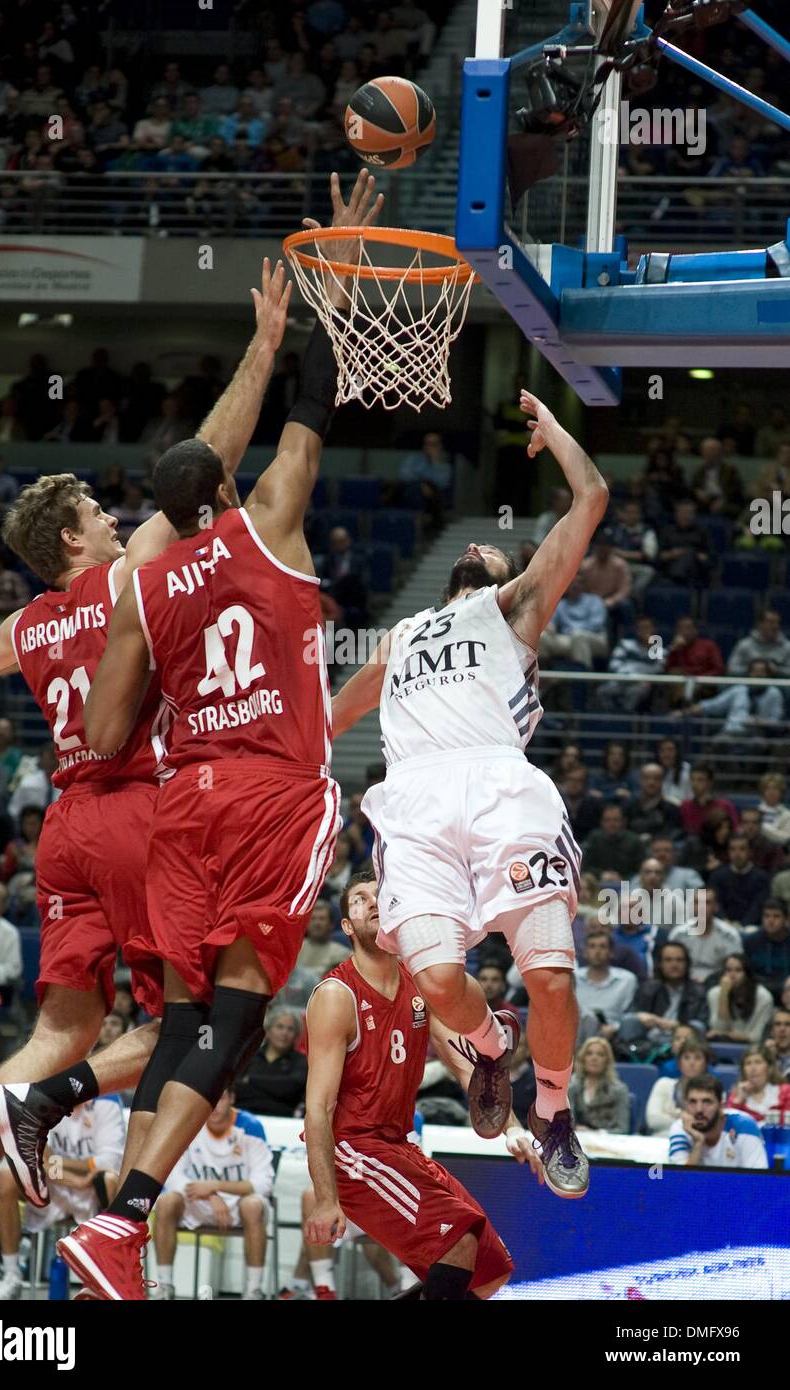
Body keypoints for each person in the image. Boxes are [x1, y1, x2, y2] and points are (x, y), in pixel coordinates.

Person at [0, 258, 291, 1298]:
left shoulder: (33, 620)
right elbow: (202, 461)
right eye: (94, 505)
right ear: (80, 538)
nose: (113, 511)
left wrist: (24, 629)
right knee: (188, 1021)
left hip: (62, 826)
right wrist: (263, 348)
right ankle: (103, 1197)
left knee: (56, 1027)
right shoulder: (129, 572)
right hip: (137, 810)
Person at [52, 174, 383, 1301]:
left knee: (190, 1018)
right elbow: (315, 402)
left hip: (179, 803)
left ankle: (116, 1225)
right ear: (225, 488)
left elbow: (100, 732)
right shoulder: (270, 522)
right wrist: (331, 261)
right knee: (240, 1022)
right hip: (272, 793)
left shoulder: (140, 587)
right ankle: (128, 1212)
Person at [331, 389, 611, 1199]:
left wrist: (558, 435)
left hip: (501, 789)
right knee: (440, 983)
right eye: (480, 543)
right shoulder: (401, 635)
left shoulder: (513, 603)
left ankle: (554, 1109)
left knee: (552, 977)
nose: (484, 543)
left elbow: (591, 498)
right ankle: (492, 1048)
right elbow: (325, 720)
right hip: (412, 804)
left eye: (498, 545)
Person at [303, 873, 532, 1299]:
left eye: (380, 896)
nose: (373, 902)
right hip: (354, 1148)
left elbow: (466, 1065)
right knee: (457, 1243)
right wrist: (324, 1198)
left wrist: (513, 1128)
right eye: (360, 899)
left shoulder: (419, 981)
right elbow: (317, 1109)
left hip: (400, 1145)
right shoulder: (337, 995)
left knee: (489, 1274)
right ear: (348, 927)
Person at [0, 1087, 126, 1300]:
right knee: (7, 1177)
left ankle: (113, 1279)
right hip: (57, 1185)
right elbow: (42, 1160)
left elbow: (108, 1162)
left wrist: (66, 1166)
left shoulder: (107, 1101)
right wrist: (77, 1177)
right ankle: (11, 1275)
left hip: (93, 1189)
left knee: (111, 1181)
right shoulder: (46, 1098)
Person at [153, 1088, 274, 1301]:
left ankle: (254, 1290)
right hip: (198, 1200)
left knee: (254, 1204)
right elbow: (172, 1176)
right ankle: (164, 1286)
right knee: (165, 1202)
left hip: (238, 1204)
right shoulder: (189, 1122)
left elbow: (263, 1183)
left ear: (232, 1099)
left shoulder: (250, 1127)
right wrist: (211, 1195)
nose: (215, 1106)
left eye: (221, 1098)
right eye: (210, 1099)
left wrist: (216, 1186)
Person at [619, 941, 708, 1052]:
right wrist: (644, 1016)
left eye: (679, 960)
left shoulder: (698, 991)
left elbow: (702, 1024)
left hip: (683, 1042)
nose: (674, 964)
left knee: (697, 1026)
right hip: (647, 1041)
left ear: (687, 964)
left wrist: (677, 1026)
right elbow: (629, 1013)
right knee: (629, 1020)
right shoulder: (647, 988)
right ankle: (633, 1062)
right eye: (668, 960)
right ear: (660, 964)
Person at [668, 1075, 768, 1168]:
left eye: (707, 1102)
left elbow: (758, 1181)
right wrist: (698, 1142)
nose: (699, 1109)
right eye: (693, 1102)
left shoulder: (744, 1126)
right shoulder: (681, 1128)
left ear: (721, 1105)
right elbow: (680, 1181)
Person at [234, 1007, 308, 1118]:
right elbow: (236, 1088)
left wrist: (251, 1080)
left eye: (290, 1029)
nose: (284, 1033)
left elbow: (292, 1087)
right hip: (243, 1117)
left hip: (283, 1121)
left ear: (296, 1035)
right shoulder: (249, 1056)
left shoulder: (301, 1061)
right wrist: (276, 1090)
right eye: (280, 1026)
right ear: (268, 1030)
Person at [573, 929, 638, 1042]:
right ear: (585, 952)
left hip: (614, 1038)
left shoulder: (627, 980)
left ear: (611, 952)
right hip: (576, 1036)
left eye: (603, 947)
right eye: (592, 946)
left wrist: (616, 1028)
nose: (597, 951)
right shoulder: (573, 978)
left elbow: (632, 1014)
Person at [668, 887, 741, 984]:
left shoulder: (729, 935)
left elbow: (736, 969)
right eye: (698, 902)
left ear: (716, 907)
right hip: (683, 984)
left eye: (707, 903)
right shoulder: (679, 935)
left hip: (719, 985)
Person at [646, 1038, 712, 1135]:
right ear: (679, 1063)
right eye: (686, 1058)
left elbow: (710, 1125)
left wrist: (674, 1115)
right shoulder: (663, 1084)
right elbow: (653, 1120)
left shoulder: (713, 1091)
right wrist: (688, 1120)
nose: (691, 1063)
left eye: (697, 1058)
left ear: (706, 1064)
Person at [568, 1037, 630, 1133]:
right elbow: (567, 1124)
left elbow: (623, 1128)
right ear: (583, 1059)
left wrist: (596, 1133)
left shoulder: (619, 1090)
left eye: (600, 1054)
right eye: (589, 1053)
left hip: (608, 1142)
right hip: (579, 1140)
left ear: (607, 1061)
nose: (594, 1058)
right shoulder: (572, 1087)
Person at [707, 956, 775, 1044]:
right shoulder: (714, 993)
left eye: (738, 970)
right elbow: (718, 1028)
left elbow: (759, 1036)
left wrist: (728, 1034)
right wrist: (724, 995)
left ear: (747, 974)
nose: (732, 975)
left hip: (754, 1046)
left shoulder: (764, 997)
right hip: (723, 1043)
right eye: (728, 970)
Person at [709, 835, 771, 927]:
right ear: (728, 852)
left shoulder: (761, 877)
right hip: (722, 925)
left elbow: (758, 906)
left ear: (750, 852)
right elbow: (715, 903)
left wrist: (742, 924)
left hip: (752, 926)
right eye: (732, 849)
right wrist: (725, 921)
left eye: (742, 849)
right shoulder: (718, 876)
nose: (737, 854)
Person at [726, 1046, 790, 1125]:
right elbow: (728, 1127)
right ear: (743, 1069)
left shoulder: (785, 1092)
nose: (753, 1068)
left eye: (758, 1062)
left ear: (769, 1067)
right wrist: (738, 1101)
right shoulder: (736, 1096)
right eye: (748, 1063)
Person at [581, 803, 645, 879]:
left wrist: (623, 878)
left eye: (616, 820)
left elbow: (640, 869)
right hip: (598, 882)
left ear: (624, 822)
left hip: (627, 883)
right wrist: (602, 874)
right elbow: (586, 867)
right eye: (607, 820)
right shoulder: (594, 838)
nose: (611, 824)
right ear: (602, 822)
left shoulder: (634, 841)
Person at [744, 899, 790, 1001]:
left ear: (787, 920)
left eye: (776, 916)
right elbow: (748, 973)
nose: (770, 921)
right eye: (767, 916)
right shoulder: (751, 941)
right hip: (760, 990)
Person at [680, 764, 738, 836]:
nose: (694, 784)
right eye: (692, 779)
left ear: (710, 782)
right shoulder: (685, 806)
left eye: (700, 780)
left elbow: (734, 830)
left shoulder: (724, 805)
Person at [296, 899, 350, 979]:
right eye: (313, 919)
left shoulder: (343, 954)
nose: (317, 923)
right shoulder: (294, 950)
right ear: (306, 924)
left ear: (331, 925)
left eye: (322, 919)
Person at [758, 771, 790, 846]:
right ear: (762, 791)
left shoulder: (787, 815)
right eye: (767, 788)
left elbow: (786, 838)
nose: (771, 792)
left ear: (782, 792)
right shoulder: (754, 812)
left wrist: (761, 828)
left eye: (775, 788)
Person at [763, 1008, 790, 1078]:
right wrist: (768, 1058)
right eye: (778, 1024)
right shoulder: (761, 1058)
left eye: (787, 1024)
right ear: (771, 1031)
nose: (782, 1029)